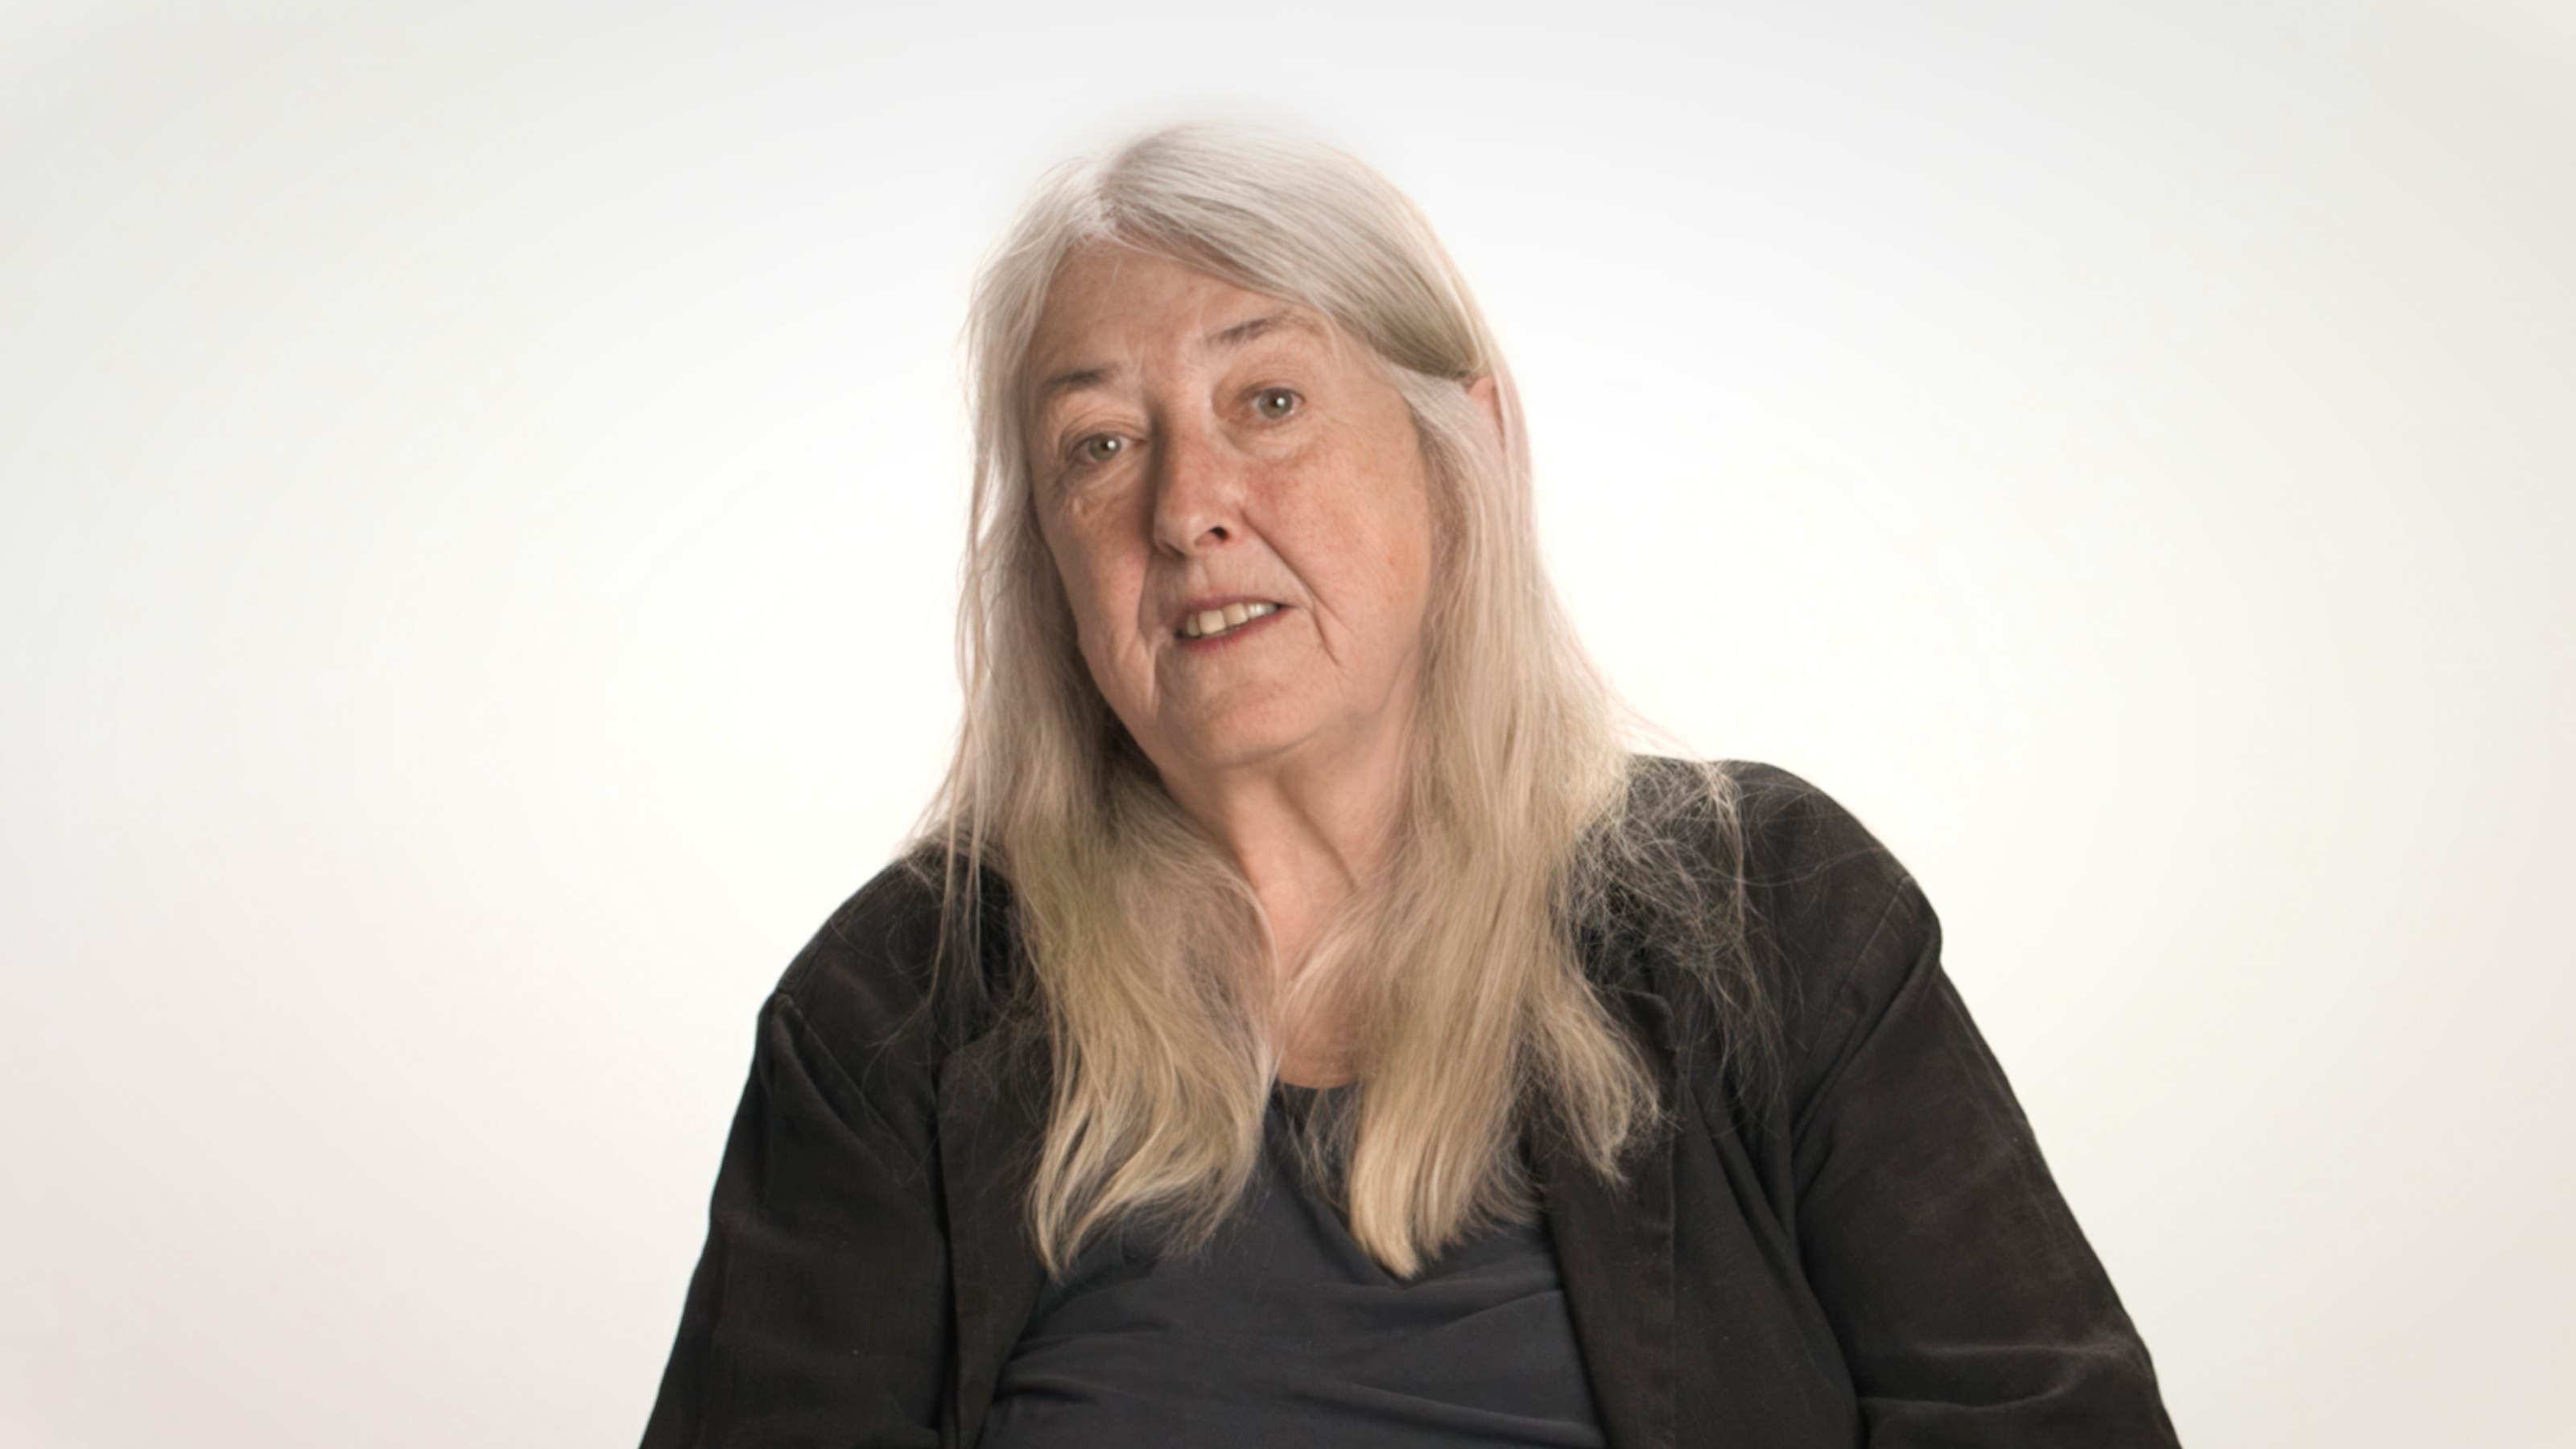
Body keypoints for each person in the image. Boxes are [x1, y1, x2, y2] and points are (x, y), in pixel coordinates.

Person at [640, 124, 2179, 1449]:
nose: (1187, 510)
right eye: (1101, 446)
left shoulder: (1777, 919)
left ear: (1463, 442)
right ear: (1047, 557)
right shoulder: (891, 1020)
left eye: (1271, 402)